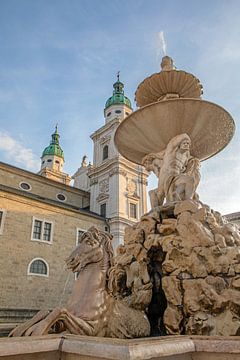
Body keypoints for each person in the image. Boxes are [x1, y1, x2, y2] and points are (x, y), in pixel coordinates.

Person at [142, 134, 200, 208]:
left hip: (176, 175)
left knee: (190, 180)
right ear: (179, 144)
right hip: (166, 174)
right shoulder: (171, 150)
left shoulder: (185, 156)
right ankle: (155, 210)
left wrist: (193, 164)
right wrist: (185, 136)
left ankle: (188, 202)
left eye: (188, 144)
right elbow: (175, 141)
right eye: (184, 143)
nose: (186, 145)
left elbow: (185, 168)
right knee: (160, 194)